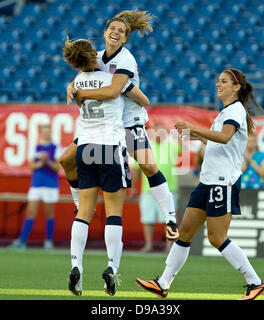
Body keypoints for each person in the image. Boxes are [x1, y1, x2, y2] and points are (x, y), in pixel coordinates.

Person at [135, 68, 264, 300]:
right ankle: (163, 283)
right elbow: (220, 141)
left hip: (222, 182)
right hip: (207, 181)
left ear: (236, 87)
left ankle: (254, 282)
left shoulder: (235, 111)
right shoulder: (226, 112)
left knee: (217, 237)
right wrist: (195, 136)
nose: (218, 84)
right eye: (218, 80)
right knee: (184, 233)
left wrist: (195, 128)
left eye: (223, 81)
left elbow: (225, 137)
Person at [61, 10, 179, 241]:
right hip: (104, 126)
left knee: (148, 167)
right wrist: (71, 85)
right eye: (112, 29)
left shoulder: (125, 59)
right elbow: (82, 77)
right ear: (104, 33)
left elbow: (114, 90)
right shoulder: (97, 57)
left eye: (121, 31)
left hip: (128, 122)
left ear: (125, 39)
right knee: (66, 160)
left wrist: (82, 92)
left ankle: (171, 218)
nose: (116, 32)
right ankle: (80, 206)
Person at [64, 38, 150, 296]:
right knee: (114, 213)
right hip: (110, 147)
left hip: (85, 147)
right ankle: (111, 268)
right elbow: (141, 99)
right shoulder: (111, 79)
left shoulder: (77, 83)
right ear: (93, 53)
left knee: (84, 212)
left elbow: (79, 84)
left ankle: (75, 266)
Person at [9, 124, 62, 250]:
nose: (46, 134)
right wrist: (41, 162)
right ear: (40, 133)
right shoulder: (36, 148)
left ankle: (48, 241)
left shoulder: (56, 148)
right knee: (30, 212)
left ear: (51, 133)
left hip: (50, 185)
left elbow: (57, 168)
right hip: (36, 184)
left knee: (49, 213)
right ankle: (22, 240)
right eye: (44, 132)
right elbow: (31, 167)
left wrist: (47, 161)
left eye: (48, 132)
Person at [132, 124, 180, 253]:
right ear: (151, 133)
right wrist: (133, 188)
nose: (158, 133)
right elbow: (136, 169)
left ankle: (169, 247)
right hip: (148, 190)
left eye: (161, 131)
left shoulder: (172, 145)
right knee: (148, 219)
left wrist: (177, 132)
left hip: (169, 189)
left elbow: (183, 145)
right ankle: (148, 245)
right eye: (156, 131)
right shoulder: (145, 147)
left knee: (169, 220)